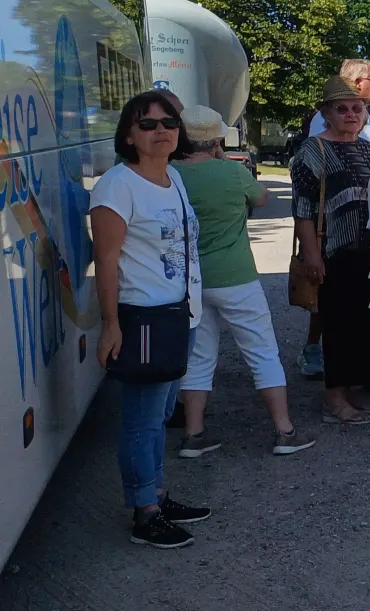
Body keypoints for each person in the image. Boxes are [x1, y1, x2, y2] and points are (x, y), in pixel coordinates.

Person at [90, 91, 209, 548]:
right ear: (128, 135)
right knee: (141, 420)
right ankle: (145, 512)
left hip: (180, 315)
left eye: (169, 122)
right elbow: (106, 260)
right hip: (142, 317)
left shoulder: (173, 178)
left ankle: (157, 493)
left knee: (160, 416)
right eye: (147, 124)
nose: (161, 130)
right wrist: (111, 323)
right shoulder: (118, 186)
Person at [174, 105, 314, 457]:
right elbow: (261, 197)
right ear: (217, 138)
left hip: (191, 279)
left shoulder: (172, 173)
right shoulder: (231, 173)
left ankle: (194, 434)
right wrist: (221, 158)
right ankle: (284, 430)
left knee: (199, 356)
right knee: (262, 352)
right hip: (236, 275)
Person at [292, 77, 370, 425]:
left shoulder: (367, 148)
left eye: (356, 108)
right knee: (336, 323)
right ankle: (333, 399)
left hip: (367, 249)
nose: (350, 114)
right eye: (342, 109)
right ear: (326, 113)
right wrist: (313, 256)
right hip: (334, 250)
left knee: (361, 323)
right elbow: (303, 209)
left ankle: (348, 392)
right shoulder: (313, 150)